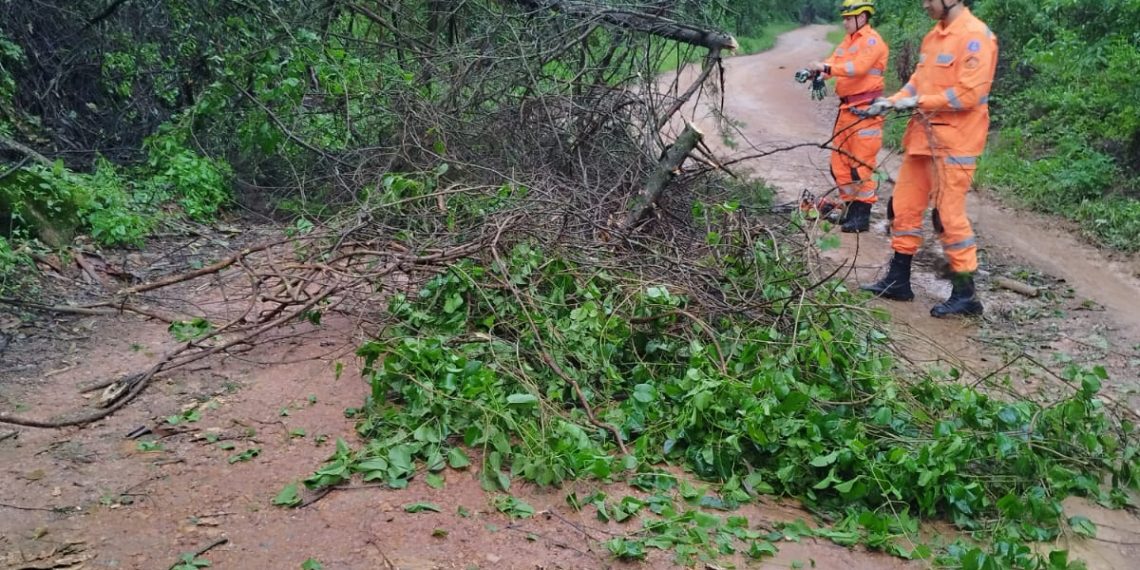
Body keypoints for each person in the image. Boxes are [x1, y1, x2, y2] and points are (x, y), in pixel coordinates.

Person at [860, 0, 997, 318]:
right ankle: (898, 280)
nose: (924, 4)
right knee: (903, 207)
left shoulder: (977, 37)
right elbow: (917, 81)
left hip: (956, 143)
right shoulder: (933, 36)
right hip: (922, 139)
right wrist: (892, 101)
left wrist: (918, 101)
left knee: (948, 217)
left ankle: (965, 295)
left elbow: (969, 95)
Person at [795, 0, 888, 233]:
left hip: (865, 112)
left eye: (848, 18)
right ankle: (849, 210)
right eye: (844, 18)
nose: (845, 22)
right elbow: (833, 62)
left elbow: (857, 67)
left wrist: (826, 69)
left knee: (860, 166)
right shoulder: (849, 41)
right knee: (839, 164)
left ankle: (861, 216)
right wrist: (814, 72)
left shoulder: (872, 41)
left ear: (862, 17)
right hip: (847, 111)